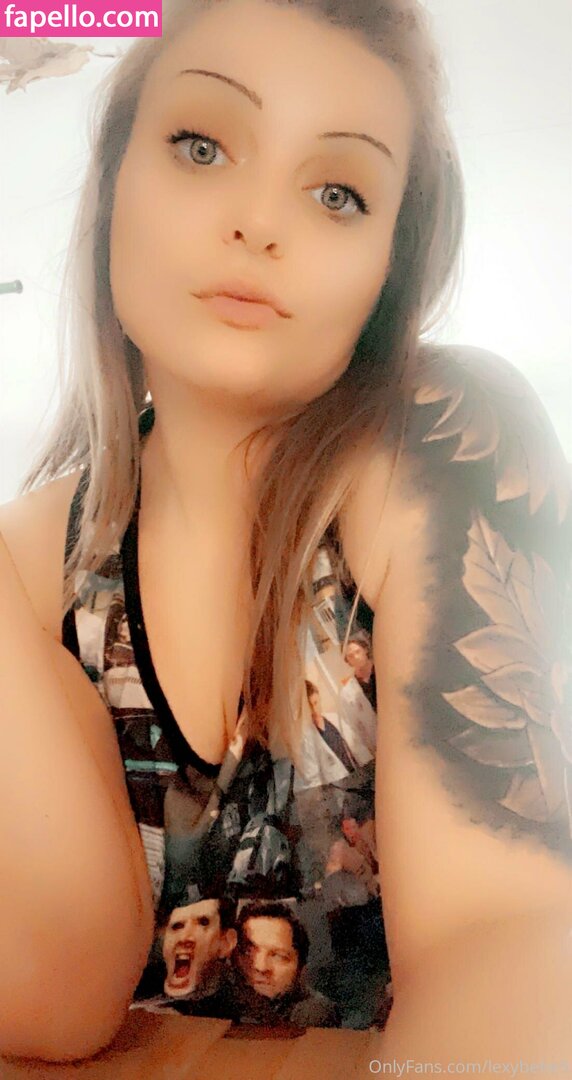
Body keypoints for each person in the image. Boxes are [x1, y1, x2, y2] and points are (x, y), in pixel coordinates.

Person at [1, 0, 571, 1065]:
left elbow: (509, 933)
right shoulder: (29, 569)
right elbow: (56, 991)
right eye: (201, 145)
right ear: (113, 186)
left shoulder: (444, 445)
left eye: (337, 192)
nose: (260, 221)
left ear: (387, 268)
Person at [230, 901, 339, 1026]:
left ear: (300, 968)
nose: (261, 966)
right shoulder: (222, 998)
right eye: (248, 952)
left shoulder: (313, 1012)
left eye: (278, 956)